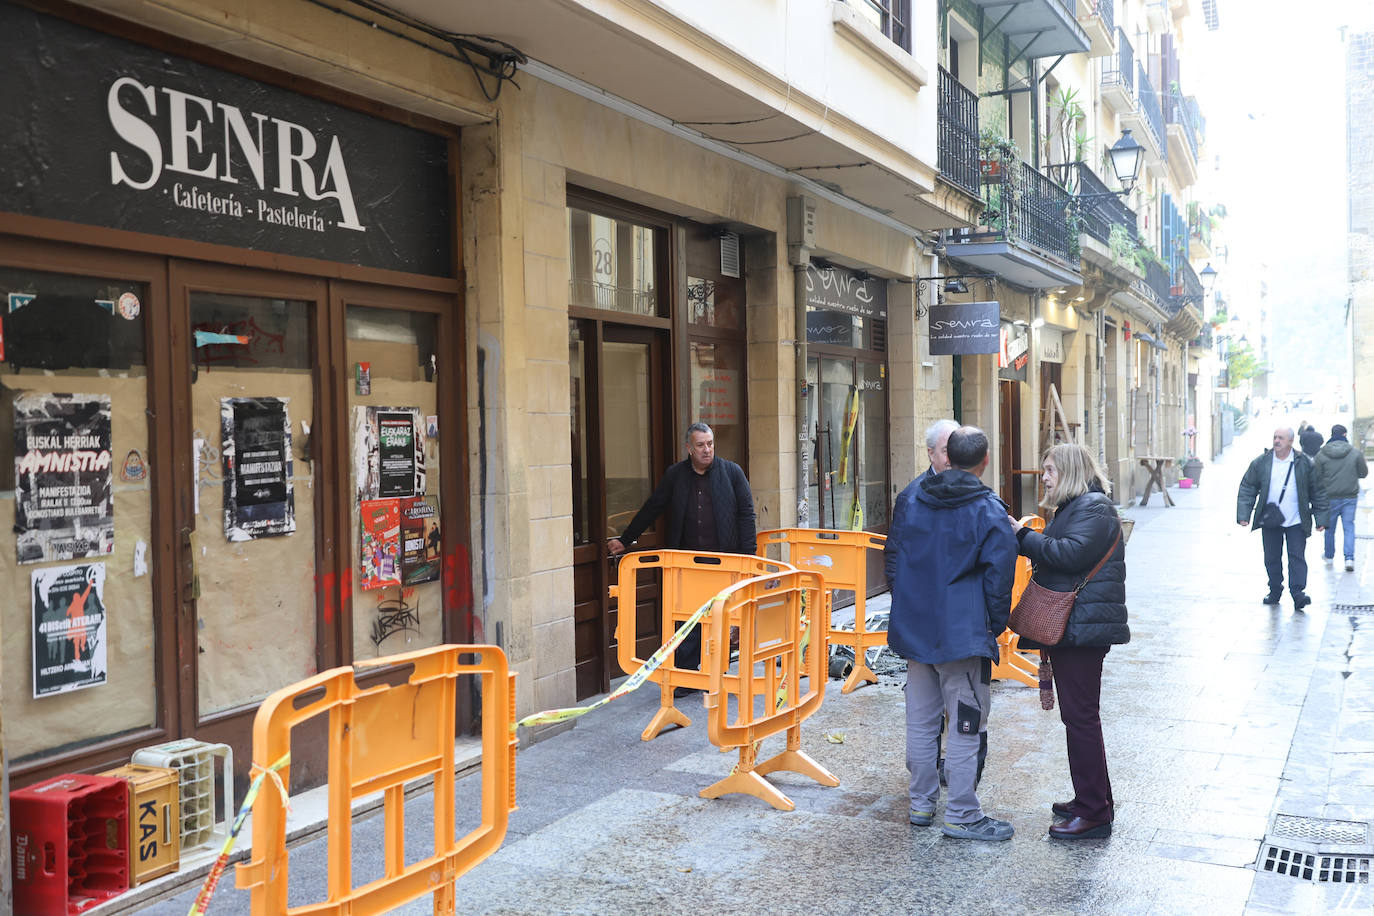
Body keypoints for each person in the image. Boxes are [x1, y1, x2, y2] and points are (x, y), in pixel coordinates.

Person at [885, 426, 1017, 841]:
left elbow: (895, 560)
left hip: (917, 628)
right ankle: (962, 812)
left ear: (945, 457)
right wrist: (992, 627)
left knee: (921, 721)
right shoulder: (989, 510)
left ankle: (921, 804)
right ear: (985, 460)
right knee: (965, 725)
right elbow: (1000, 580)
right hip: (961, 632)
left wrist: (906, 610)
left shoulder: (911, 499)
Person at [1009, 444, 1128, 840]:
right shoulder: (1077, 507)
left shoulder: (1094, 507)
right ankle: (1092, 799)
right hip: (1077, 627)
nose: (1043, 477)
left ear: (1071, 471)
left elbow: (1069, 554)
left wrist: (1021, 536)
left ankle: (1094, 812)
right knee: (1077, 718)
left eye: (1049, 470)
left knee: (1081, 720)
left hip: (1083, 630)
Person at [609, 422, 756, 691]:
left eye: (710, 444)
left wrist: (749, 559)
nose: (706, 450)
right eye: (700, 445)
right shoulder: (676, 475)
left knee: (720, 618)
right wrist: (627, 539)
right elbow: (653, 507)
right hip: (685, 563)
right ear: (689, 448)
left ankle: (715, 675)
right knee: (686, 618)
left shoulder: (732, 473)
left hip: (724, 562)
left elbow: (746, 515)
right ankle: (687, 677)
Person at [1236, 427, 1328, 609]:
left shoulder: (1304, 463)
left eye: (1281, 438)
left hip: (1296, 519)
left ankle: (1298, 593)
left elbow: (1317, 491)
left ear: (1291, 441)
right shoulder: (1262, 462)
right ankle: (1275, 590)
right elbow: (1248, 487)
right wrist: (1243, 514)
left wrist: (1321, 519)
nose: (1276, 441)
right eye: (1275, 437)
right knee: (1271, 557)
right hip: (1271, 519)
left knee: (1297, 557)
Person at [1314, 423, 1368, 572]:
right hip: (1350, 496)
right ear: (1344, 434)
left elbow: (1315, 476)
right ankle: (1349, 559)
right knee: (1349, 527)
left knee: (1329, 528)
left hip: (1329, 497)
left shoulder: (1322, 453)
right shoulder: (1354, 452)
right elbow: (1363, 473)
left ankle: (1329, 556)